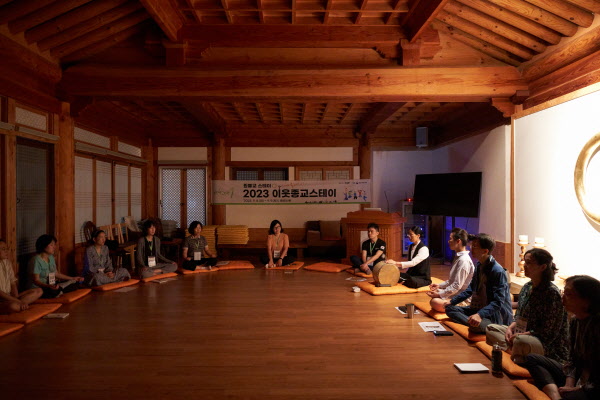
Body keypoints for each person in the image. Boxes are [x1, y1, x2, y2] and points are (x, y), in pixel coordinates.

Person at [522, 275, 600, 400]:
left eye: (568, 294)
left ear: (586, 300)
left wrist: (579, 388)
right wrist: (569, 384)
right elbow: (572, 359)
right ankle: (556, 396)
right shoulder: (575, 321)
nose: (562, 298)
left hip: (593, 385)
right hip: (578, 377)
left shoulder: (596, 325)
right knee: (532, 359)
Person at [486, 248, 568, 364]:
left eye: (529, 263)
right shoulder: (527, 287)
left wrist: (522, 335)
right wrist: (510, 328)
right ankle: (518, 353)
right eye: (525, 262)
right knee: (491, 328)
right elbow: (519, 315)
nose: (524, 265)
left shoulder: (551, 293)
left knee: (521, 341)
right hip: (521, 333)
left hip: (544, 342)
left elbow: (548, 332)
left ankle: (519, 352)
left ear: (543, 267)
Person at [444, 233, 513, 333]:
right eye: (472, 245)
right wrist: (452, 301)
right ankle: (473, 322)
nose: (471, 249)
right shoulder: (479, 265)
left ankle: (478, 324)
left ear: (485, 251)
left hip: (494, 315)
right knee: (449, 309)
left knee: (476, 326)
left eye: (475, 247)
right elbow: (471, 289)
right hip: (478, 308)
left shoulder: (497, 271)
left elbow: (498, 302)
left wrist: (480, 315)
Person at [426, 228, 474, 312]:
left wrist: (439, 294)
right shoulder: (459, 257)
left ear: (458, 241)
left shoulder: (464, 260)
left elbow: (457, 285)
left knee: (435, 302)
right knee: (436, 293)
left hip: (463, 298)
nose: (449, 241)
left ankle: (461, 309)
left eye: (450, 239)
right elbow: (452, 281)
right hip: (457, 293)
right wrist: (439, 286)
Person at [0, 238, 42, 314]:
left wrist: (16, 297)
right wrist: (17, 301)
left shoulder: (7, 263)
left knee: (39, 291)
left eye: (7, 249)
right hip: (1, 300)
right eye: (3, 249)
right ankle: (20, 304)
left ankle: (20, 304)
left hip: (10, 297)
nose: (6, 251)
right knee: (12, 306)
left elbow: (12, 283)